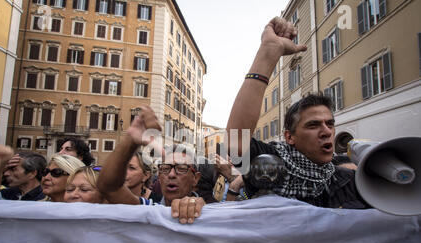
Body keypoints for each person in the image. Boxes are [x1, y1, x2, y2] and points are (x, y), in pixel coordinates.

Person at [226, 17, 370, 209]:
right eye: (313, 125)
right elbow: (235, 141)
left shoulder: (350, 180)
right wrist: (269, 51)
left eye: (330, 124)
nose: (326, 131)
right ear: (290, 136)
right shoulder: (269, 166)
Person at [97, 105, 206, 224]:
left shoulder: (211, 212)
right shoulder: (148, 209)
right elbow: (108, 187)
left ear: (195, 178)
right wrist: (130, 141)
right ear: (159, 176)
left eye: (181, 168)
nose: (171, 174)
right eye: (165, 168)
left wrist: (205, 209)